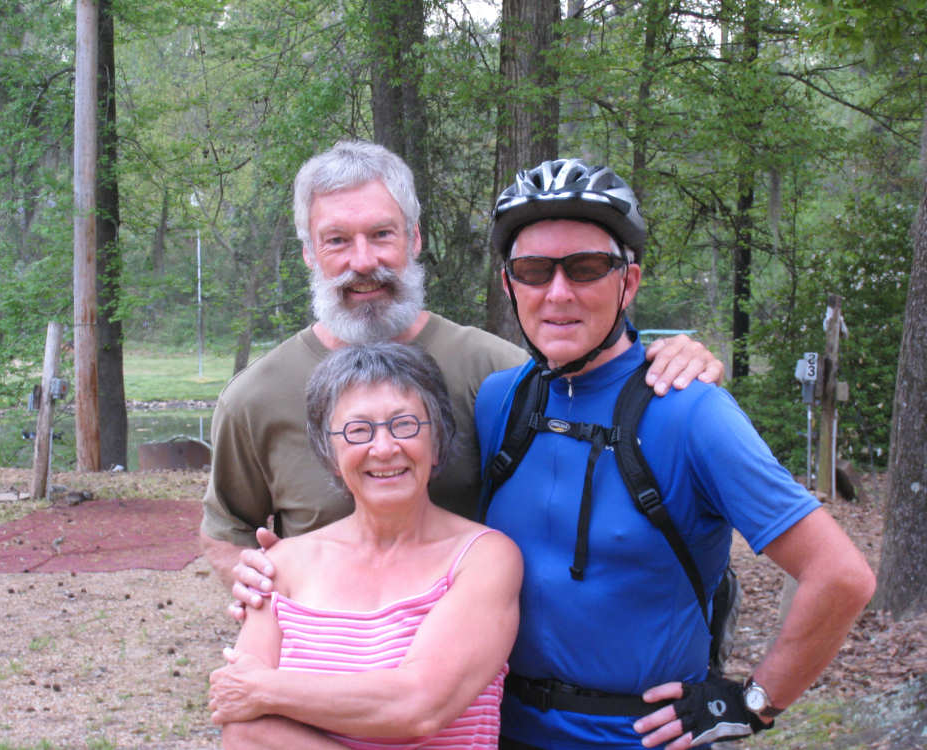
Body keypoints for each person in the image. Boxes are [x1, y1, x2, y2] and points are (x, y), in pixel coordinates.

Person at [199, 140, 724, 612]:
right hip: (332, 666)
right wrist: (255, 584)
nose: (363, 261)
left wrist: (673, 360)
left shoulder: (498, 373)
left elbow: (603, 394)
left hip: (487, 666)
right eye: (336, 240)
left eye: (382, 234)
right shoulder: (256, 398)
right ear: (309, 254)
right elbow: (227, 528)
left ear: (414, 239)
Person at [474, 158, 876, 750]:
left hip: (640, 738)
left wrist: (752, 703)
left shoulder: (692, 413)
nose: (558, 292)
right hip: (499, 732)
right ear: (510, 284)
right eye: (534, 270)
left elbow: (840, 576)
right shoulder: (498, 402)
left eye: (586, 268)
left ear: (629, 282)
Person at [208, 342, 523, 748]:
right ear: (330, 453)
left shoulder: (483, 558)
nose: (385, 448)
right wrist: (253, 696)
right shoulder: (281, 565)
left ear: (437, 441)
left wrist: (263, 689)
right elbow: (245, 732)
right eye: (358, 431)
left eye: (405, 425)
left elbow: (420, 705)